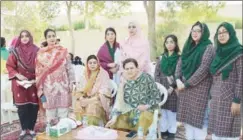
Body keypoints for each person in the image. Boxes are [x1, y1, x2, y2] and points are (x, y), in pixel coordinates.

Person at [175, 21, 214, 140]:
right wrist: (177, 79)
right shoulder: (188, 46)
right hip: (185, 90)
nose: (195, 33)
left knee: (198, 123)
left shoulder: (209, 47)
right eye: (193, 30)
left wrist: (186, 84)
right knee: (187, 123)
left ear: (204, 33)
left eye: (198, 31)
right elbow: (180, 63)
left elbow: (204, 69)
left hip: (199, 90)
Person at [105, 58, 161, 136]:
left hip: (147, 109)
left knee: (142, 120)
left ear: (137, 68)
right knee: (117, 120)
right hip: (129, 109)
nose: (129, 71)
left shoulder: (146, 77)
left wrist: (146, 106)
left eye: (132, 68)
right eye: (127, 69)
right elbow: (119, 101)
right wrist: (114, 117)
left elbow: (156, 95)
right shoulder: (124, 81)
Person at [207, 22, 243, 140]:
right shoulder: (217, 53)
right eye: (219, 33)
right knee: (217, 134)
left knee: (229, 135)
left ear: (231, 33)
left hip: (230, 100)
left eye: (224, 32)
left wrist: (237, 100)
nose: (221, 35)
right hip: (216, 99)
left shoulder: (239, 52)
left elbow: (241, 78)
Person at [35, 29, 75, 123]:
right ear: (46, 39)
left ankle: (64, 136)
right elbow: (38, 72)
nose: (52, 38)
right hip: (49, 88)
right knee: (51, 117)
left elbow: (69, 68)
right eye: (49, 36)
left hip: (63, 87)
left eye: (53, 36)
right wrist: (40, 90)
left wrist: (72, 82)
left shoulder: (63, 51)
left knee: (63, 116)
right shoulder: (41, 54)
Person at [6, 30, 39, 138]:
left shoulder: (37, 50)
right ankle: (24, 129)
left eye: (27, 36)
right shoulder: (15, 51)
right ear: (19, 38)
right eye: (22, 36)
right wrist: (17, 75)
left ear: (30, 37)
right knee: (22, 107)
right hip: (20, 84)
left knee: (33, 106)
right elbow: (10, 66)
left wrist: (37, 77)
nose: (24, 38)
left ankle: (32, 128)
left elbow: (41, 66)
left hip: (33, 82)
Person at [73, 55, 112, 126]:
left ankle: (91, 128)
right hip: (86, 98)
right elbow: (79, 88)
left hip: (98, 99)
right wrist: (82, 99)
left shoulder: (103, 74)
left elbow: (105, 90)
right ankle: (80, 126)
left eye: (94, 63)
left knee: (92, 106)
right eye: (90, 63)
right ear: (87, 64)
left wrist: (88, 101)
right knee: (78, 103)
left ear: (98, 63)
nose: (92, 65)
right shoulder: (84, 74)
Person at [154, 34, 180, 139]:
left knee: (171, 112)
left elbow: (179, 74)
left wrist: (172, 87)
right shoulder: (161, 58)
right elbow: (156, 73)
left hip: (172, 89)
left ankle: (172, 133)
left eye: (171, 42)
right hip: (161, 88)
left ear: (176, 44)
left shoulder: (179, 58)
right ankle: (163, 131)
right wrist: (159, 87)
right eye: (167, 42)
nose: (169, 44)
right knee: (163, 111)